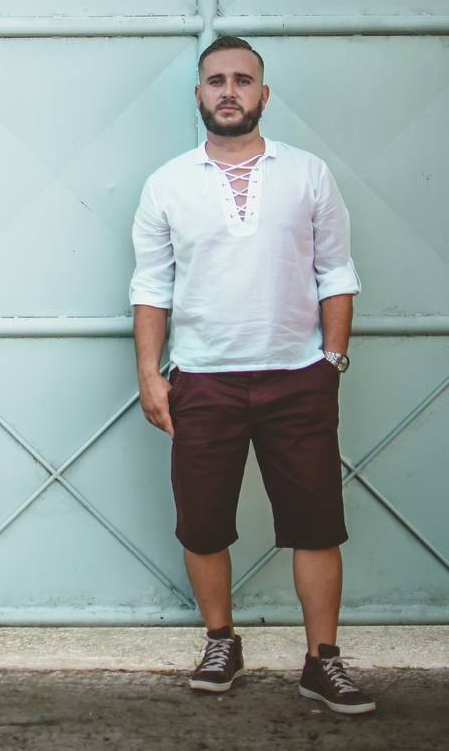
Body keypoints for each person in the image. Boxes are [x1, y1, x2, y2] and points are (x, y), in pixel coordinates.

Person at [129, 36, 374, 714]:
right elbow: (152, 286)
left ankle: (322, 661)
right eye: (217, 81)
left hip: (297, 377)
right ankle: (221, 643)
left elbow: (337, 272)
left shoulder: (308, 174)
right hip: (203, 379)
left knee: (317, 524)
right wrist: (150, 373)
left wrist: (331, 361)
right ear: (199, 95)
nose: (229, 91)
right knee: (203, 523)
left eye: (242, 80)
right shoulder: (168, 184)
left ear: (264, 94)